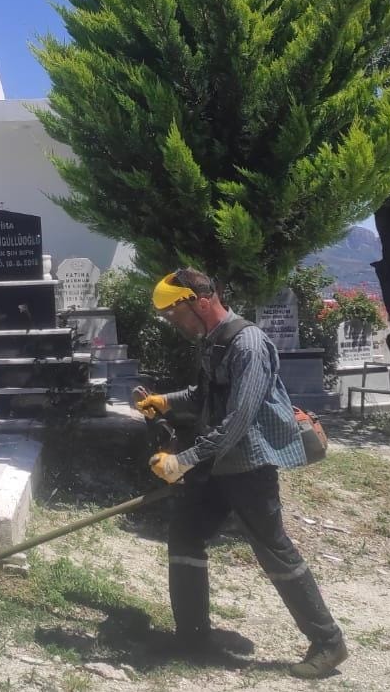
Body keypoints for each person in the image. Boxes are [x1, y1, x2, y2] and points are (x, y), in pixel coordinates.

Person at [133, 269, 348, 680]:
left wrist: (184, 460)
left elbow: (238, 421)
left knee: (274, 549)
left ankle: (328, 642)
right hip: (218, 465)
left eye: (174, 315)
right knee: (185, 535)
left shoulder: (248, 344)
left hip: (249, 465)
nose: (173, 324)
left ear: (199, 302)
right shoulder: (213, 341)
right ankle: (192, 637)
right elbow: (204, 396)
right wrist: (165, 402)